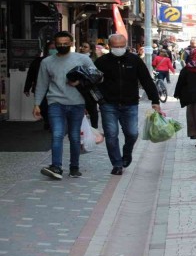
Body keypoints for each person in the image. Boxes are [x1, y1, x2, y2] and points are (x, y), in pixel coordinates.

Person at [94, 34, 162, 175]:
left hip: (130, 103)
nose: (118, 49)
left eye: (121, 46)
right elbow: (93, 82)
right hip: (108, 104)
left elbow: (146, 80)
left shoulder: (134, 60)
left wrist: (155, 101)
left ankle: (127, 153)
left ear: (125, 45)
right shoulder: (101, 62)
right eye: (115, 46)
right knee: (111, 135)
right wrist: (98, 100)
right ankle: (117, 164)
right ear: (110, 46)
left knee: (132, 133)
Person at [33, 31, 96, 179]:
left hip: (77, 103)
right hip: (55, 102)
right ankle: (56, 167)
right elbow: (42, 83)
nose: (62, 46)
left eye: (65, 43)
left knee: (74, 136)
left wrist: (80, 82)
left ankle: (74, 167)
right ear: (55, 44)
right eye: (59, 44)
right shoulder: (47, 62)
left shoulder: (82, 59)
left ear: (71, 43)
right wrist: (37, 104)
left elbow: (97, 76)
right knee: (57, 134)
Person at [24, 40, 56, 130]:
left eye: (55, 48)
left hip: (55, 89)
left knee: (53, 107)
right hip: (40, 88)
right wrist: (27, 87)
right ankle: (47, 120)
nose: (54, 50)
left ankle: (51, 123)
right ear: (47, 50)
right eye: (52, 48)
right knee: (43, 107)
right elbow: (31, 75)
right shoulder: (38, 61)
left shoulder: (59, 61)